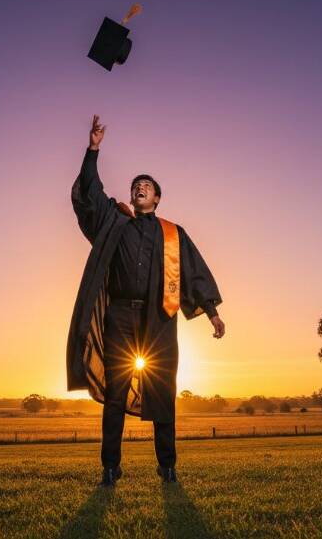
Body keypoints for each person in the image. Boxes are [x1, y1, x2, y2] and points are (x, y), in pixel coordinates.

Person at [66, 114, 225, 487]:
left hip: (160, 319)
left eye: (147, 185)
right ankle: (110, 466)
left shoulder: (173, 234)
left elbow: (193, 271)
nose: (140, 187)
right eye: (136, 184)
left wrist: (212, 314)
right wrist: (93, 150)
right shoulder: (113, 223)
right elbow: (89, 194)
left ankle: (167, 465)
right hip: (120, 316)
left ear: (157, 197)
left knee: (163, 391)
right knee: (116, 394)